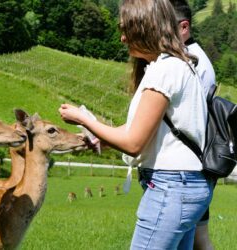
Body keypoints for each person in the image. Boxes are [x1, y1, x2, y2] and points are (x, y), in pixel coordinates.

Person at [59, 0, 214, 249]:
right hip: (188, 185)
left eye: (128, 30)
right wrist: (102, 136)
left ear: (146, 29)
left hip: (170, 188)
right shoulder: (183, 64)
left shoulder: (164, 70)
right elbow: (146, 129)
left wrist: (83, 119)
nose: (122, 38)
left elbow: (133, 143)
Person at [170, 1, 216, 249]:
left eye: (163, 26)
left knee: (195, 239)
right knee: (198, 239)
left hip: (189, 167)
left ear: (183, 27)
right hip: (195, 165)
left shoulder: (193, 63)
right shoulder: (193, 58)